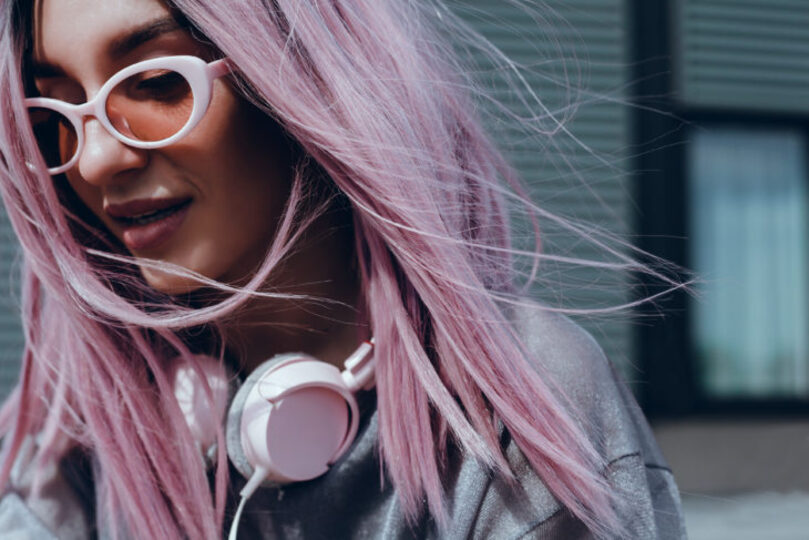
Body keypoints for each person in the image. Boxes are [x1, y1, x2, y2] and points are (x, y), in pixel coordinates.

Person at [0, 0, 686, 538]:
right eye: (52, 115)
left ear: (298, 81)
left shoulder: (523, 410)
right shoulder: (82, 427)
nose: (93, 160)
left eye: (154, 83)